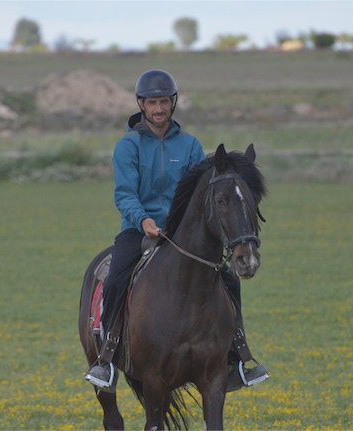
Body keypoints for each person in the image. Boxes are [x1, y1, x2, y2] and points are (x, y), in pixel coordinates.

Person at [84, 69, 268, 392]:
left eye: (164, 102)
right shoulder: (127, 147)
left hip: (182, 233)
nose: (159, 109)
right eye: (152, 102)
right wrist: (143, 220)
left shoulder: (191, 145)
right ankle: (108, 357)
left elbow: (201, 192)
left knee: (228, 280)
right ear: (141, 104)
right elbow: (124, 193)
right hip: (137, 231)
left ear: (173, 103)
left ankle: (238, 358)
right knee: (115, 278)